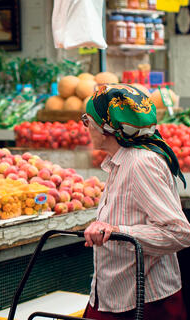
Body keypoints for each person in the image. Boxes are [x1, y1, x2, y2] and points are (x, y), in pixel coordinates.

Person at [81, 84, 190, 319]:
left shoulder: (141, 164)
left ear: (105, 127)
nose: (85, 127)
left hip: (144, 304)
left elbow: (179, 232)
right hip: (117, 296)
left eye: (87, 120)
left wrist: (117, 231)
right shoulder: (121, 161)